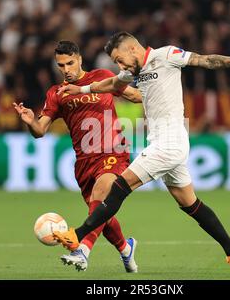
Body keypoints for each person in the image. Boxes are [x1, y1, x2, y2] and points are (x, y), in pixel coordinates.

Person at [55, 32, 230, 276]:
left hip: (170, 142)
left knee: (119, 187)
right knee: (190, 204)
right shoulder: (131, 72)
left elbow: (204, 60)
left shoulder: (166, 55)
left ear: (132, 48)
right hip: (162, 143)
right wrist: (81, 89)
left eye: (119, 59)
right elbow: (113, 84)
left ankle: (77, 236)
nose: (119, 66)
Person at [13, 40, 142, 272]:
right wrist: (30, 121)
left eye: (70, 63)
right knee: (101, 212)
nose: (66, 69)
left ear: (80, 59)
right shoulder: (56, 93)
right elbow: (40, 131)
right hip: (84, 162)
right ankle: (126, 248)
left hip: (114, 152)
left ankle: (81, 250)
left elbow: (135, 96)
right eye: (60, 65)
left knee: (103, 193)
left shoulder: (101, 76)